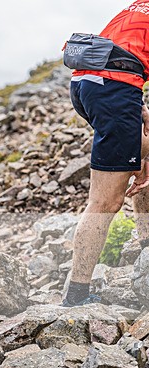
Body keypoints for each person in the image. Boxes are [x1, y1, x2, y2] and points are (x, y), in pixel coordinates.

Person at [63, 1, 149, 307]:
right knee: (106, 201)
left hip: (85, 83)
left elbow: (124, 52)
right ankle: (76, 295)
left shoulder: (139, 7)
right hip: (115, 88)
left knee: (143, 152)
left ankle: (145, 241)